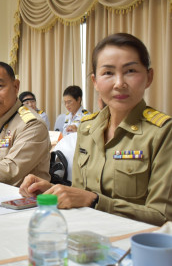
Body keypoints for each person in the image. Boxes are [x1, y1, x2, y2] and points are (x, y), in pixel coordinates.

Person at [19, 33, 172, 226]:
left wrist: (95, 201)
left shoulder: (163, 133)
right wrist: (52, 191)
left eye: (131, 70)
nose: (119, 83)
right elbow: (80, 193)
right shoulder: (87, 128)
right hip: (85, 235)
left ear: (149, 77)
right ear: (95, 82)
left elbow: (163, 218)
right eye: (108, 73)